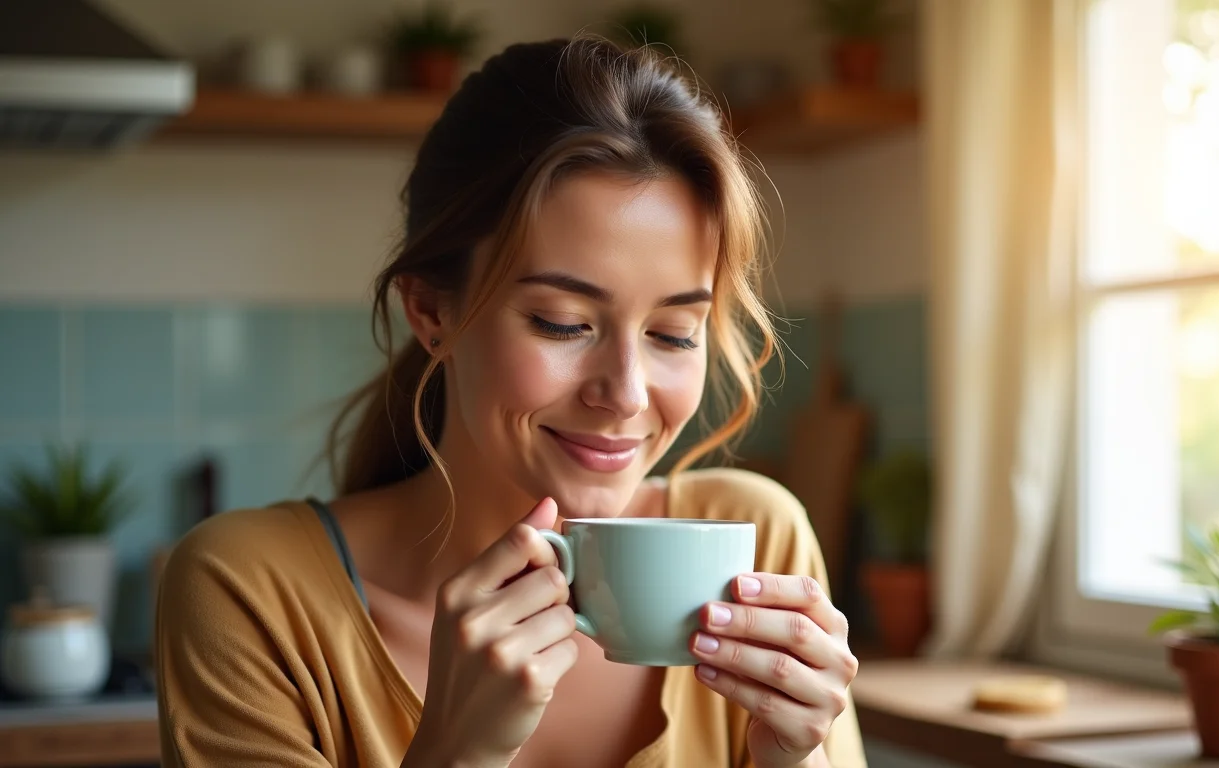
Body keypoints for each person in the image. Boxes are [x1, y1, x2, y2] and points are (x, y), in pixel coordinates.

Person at [155, 36, 865, 768]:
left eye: (673, 332)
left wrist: (794, 760)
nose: (624, 394)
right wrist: (454, 751)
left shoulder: (755, 544)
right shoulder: (249, 594)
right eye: (563, 323)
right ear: (431, 312)